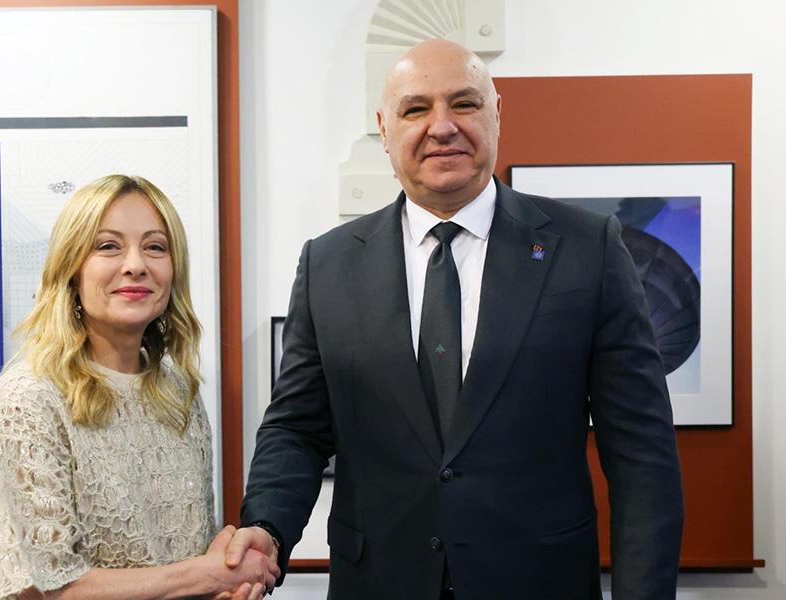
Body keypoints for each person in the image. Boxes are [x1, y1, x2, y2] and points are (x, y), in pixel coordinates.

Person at [225, 40, 685, 599]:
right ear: (384, 129)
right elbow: (297, 428)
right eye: (415, 109)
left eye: (464, 103)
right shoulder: (328, 264)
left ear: (497, 113)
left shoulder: (588, 249)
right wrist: (268, 526)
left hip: (540, 583)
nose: (442, 127)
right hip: (379, 584)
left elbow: (642, 453)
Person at [0, 175, 278, 600]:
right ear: (71, 269)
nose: (135, 265)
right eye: (108, 246)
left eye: (155, 247)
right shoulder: (30, 398)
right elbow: (46, 589)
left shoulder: (176, 392)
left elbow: (188, 560)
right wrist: (205, 576)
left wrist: (225, 575)